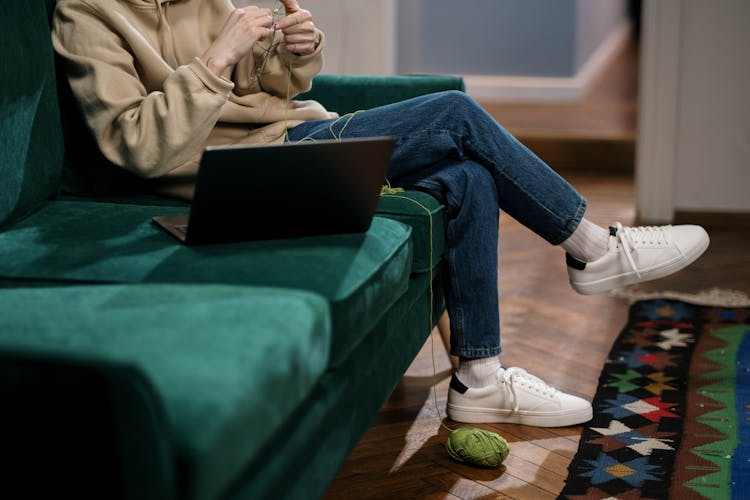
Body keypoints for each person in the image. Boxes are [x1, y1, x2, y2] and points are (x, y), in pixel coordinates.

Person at [52, 0, 709, 427]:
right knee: (452, 114)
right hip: (234, 174)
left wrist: (294, 52)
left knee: (467, 173)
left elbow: (271, 91)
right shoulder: (87, 15)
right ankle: (594, 247)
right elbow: (135, 145)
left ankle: (479, 378)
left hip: (287, 137)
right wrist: (217, 56)